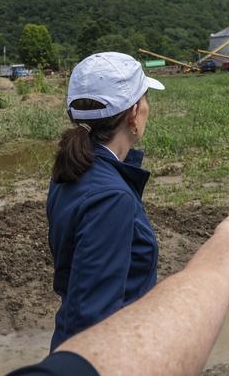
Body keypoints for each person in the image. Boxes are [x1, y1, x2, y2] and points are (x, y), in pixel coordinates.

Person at [9, 206, 229, 376]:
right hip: (94, 343)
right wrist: (217, 272)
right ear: (136, 115)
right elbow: (93, 311)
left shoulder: (75, 174)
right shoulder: (112, 198)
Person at [47, 52, 165, 352]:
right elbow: (94, 322)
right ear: (133, 113)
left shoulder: (73, 170)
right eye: (146, 99)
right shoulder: (111, 198)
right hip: (105, 357)